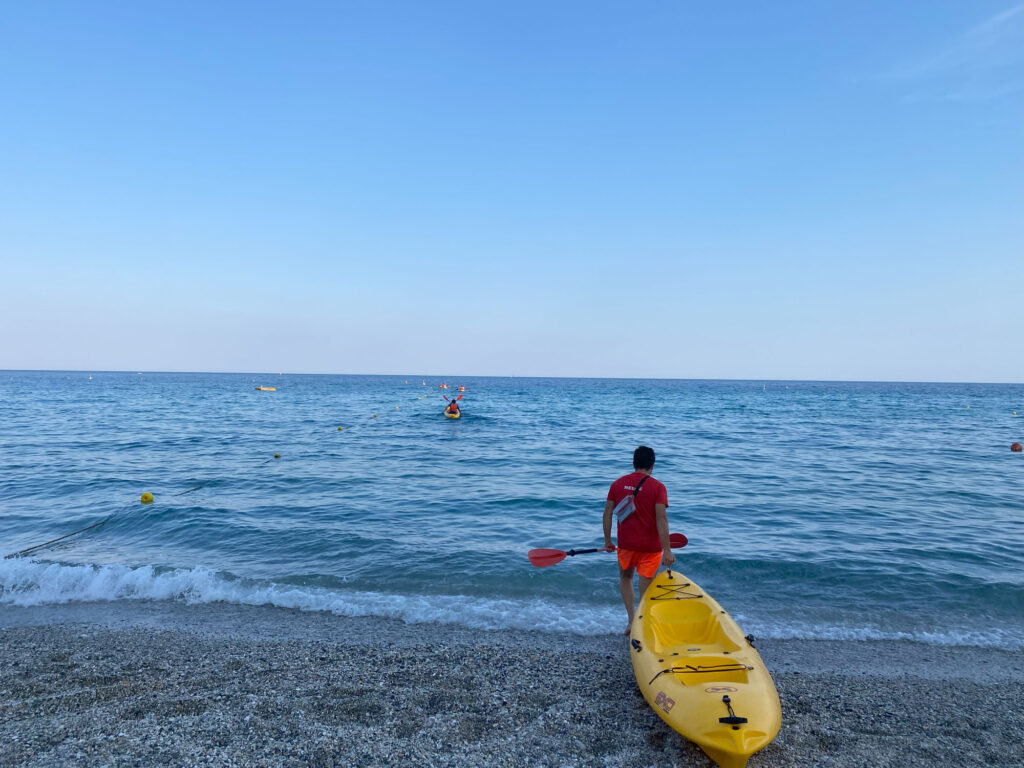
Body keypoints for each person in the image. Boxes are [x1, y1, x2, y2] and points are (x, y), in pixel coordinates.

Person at [602, 445, 674, 634]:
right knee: (646, 585)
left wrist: (608, 541)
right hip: (650, 547)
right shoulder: (658, 487)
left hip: (626, 545)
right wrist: (667, 549)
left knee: (626, 577)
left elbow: (607, 513)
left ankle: (631, 621)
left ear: (634, 463)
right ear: (652, 465)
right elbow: (661, 519)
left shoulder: (617, 484)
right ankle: (643, 623)